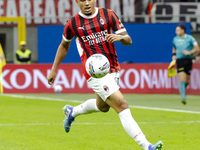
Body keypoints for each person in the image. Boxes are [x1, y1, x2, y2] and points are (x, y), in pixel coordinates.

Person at [47, 0, 163, 149]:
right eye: (82, 0)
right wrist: (54, 69)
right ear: (77, 1)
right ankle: (147, 146)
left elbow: (128, 40)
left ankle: (72, 112)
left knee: (102, 107)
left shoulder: (108, 15)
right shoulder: (73, 23)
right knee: (121, 105)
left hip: (112, 68)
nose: (87, 3)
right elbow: (64, 45)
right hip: (94, 73)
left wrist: (121, 38)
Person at [172, 24, 200, 104]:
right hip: (180, 61)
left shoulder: (190, 38)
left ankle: (182, 89)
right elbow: (174, 48)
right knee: (182, 78)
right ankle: (183, 97)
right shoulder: (175, 39)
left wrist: (189, 52)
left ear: (183, 30)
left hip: (188, 60)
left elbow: (197, 48)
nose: (176, 31)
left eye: (177, 30)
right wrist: (173, 55)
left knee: (187, 80)